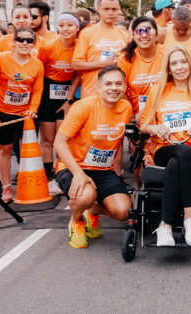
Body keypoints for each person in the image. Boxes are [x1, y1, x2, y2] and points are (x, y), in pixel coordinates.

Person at [138, 45, 191, 246]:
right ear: (168, 68)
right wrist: (156, 128)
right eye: (174, 63)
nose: (179, 67)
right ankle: (189, 218)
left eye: (183, 61)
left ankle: (165, 226)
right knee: (180, 154)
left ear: (190, 64)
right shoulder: (158, 92)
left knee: (179, 160)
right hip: (165, 147)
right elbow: (144, 125)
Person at [53, 65, 133, 248]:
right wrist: (79, 173)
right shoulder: (84, 106)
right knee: (85, 195)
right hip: (73, 167)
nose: (114, 88)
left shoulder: (126, 108)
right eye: (108, 84)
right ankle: (77, 220)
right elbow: (59, 142)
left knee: (124, 211)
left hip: (103, 170)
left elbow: (118, 139)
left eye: (118, 84)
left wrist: (118, 168)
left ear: (124, 87)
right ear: (98, 87)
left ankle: (92, 211)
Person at [0, 27, 45, 202]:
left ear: (34, 43)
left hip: (25, 114)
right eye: (21, 39)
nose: (24, 43)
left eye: (29, 40)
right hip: (1, 111)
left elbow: (37, 90)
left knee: (27, 150)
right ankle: (6, 188)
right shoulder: (0, 60)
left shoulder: (37, 64)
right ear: (14, 41)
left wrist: (33, 109)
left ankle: (29, 184)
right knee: (4, 149)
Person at [36, 13, 82, 187]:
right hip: (47, 91)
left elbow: (78, 76)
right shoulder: (48, 47)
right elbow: (38, 72)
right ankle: (48, 177)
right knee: (47, 139)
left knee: (63, 137)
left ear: (77, 28)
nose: (65, 29)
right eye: (61, 25)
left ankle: (61, 173)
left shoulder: (79, 47)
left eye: (70, 25)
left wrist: (69, 100)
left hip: (67, 92)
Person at [72, 0, 130, 97]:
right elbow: (76, 64)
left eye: (114, 9)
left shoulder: (125, 36)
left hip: (115, 97)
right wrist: (102, 64)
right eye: (106, 9)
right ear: (99, 9)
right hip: (91, 95)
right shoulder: (87, 33)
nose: (110, 13)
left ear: (119, 10)